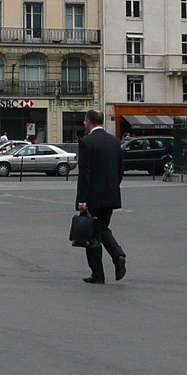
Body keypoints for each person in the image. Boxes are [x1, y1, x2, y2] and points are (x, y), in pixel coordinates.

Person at [75, 109, 126, 284]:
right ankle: (117, 255)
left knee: (92, 235)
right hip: (110, 195)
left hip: (92, 198)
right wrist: (112, 187)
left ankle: (99, 273)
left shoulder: (86, 142)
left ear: (88, 121)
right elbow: (120, 170)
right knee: (102, 228)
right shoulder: (115, 141)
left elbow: (85, 174)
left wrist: (82, 200)